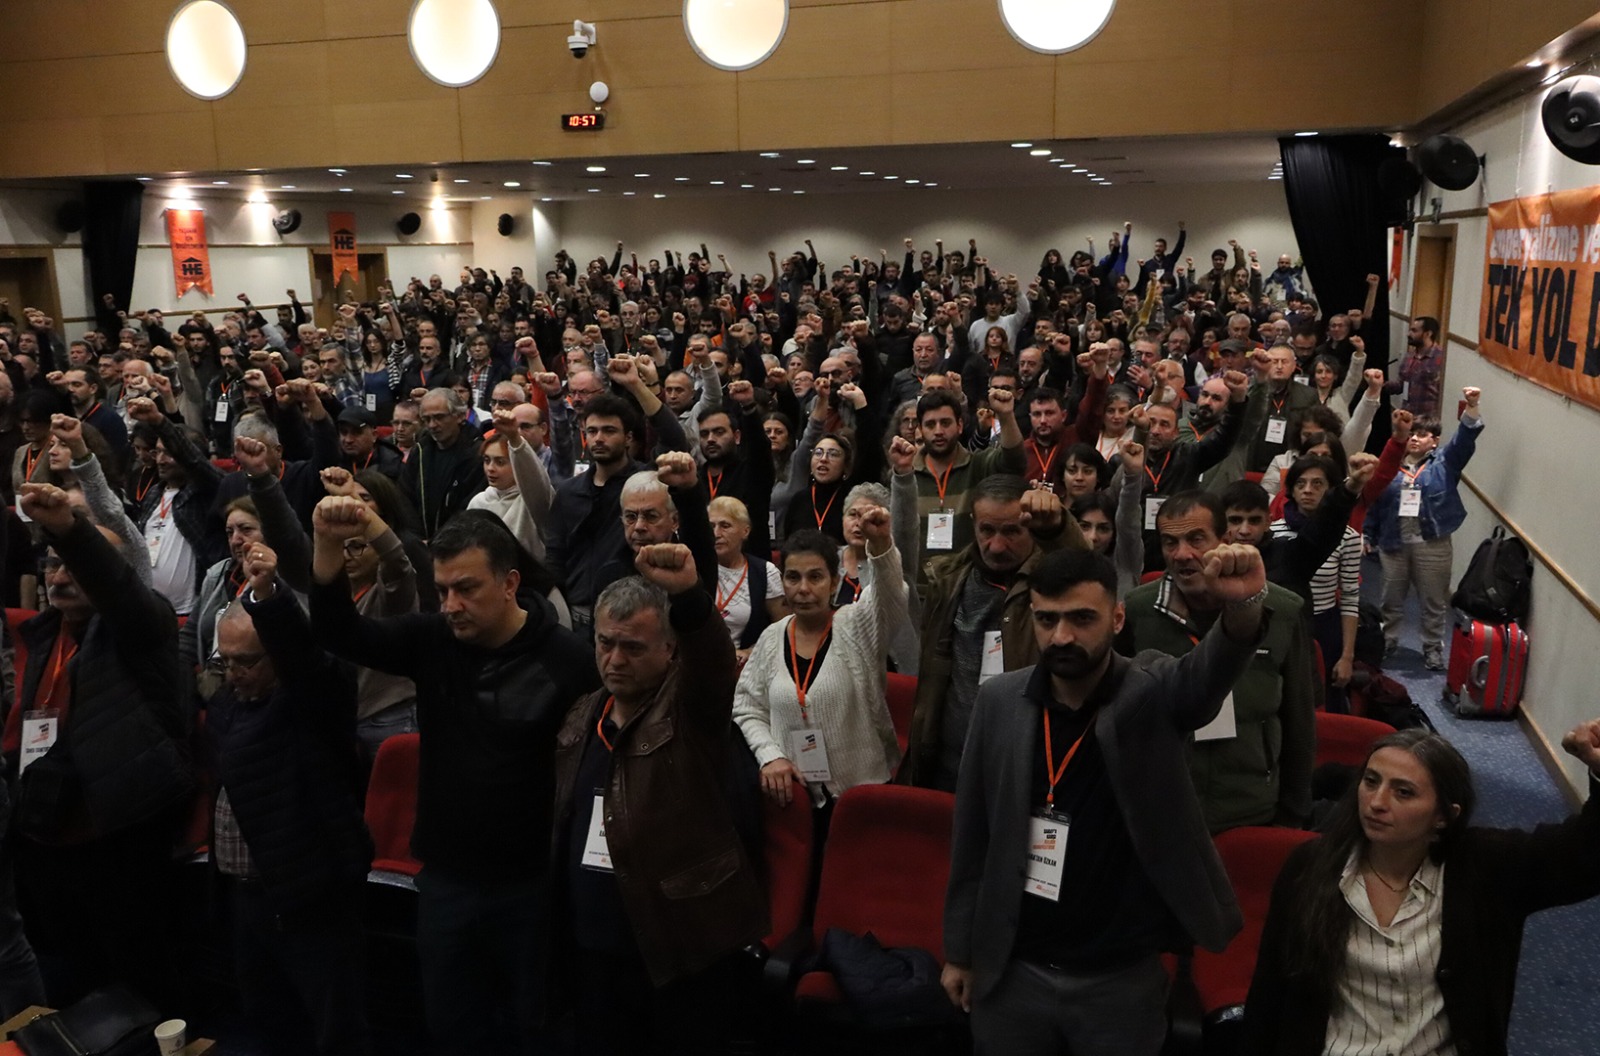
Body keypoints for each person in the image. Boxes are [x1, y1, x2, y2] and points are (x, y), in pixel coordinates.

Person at [942, 545, 1270, 1055]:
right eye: (1047, 619)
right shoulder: (999, 701)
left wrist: (1243, 608)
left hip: (1119, 979)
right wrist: (959, 951)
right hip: (1014, 969)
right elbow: (972, 837)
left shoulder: (1151, 691)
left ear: (1117, 619)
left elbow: (1206, 676)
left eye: (1082, 618)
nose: (1061, 636)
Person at [310, 503, 598, 1055]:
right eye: (442, 590)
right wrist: (325, 544)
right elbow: (336, 631)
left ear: (510, 583)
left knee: (535, 1029)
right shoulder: (433, 640)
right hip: (447, 879)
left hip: (531, 885)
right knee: (451, 1026)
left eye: (466, 589)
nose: (450, 606)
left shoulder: (568, 661)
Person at [1241, 722, 1600, 1056]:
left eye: (1403, 792)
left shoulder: (1486, 868)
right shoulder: (1311, 866)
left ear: (1444, 816)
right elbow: (1269, 994)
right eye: (1371, 781)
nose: (1377, 802)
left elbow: (1585, 857)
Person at [551, 542, 766, 1054]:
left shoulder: (691, 711)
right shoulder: (583, 713)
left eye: (633, 647)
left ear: (670, 649)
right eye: (605, 643)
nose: (614, 660)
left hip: (676, 948)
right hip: (592, 945)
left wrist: (689, 597)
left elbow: (713, 662)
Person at [8, 483, 191, 1008]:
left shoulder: (144, 625)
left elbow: (119, 590)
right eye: (52, 565)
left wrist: (71, 532)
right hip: (51, 832)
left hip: (119, 835)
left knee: (139, 980)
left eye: (74, 565)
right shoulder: (45, 633)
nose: (60, 576)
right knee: (70, 976)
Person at [210, 543, 372, 1055]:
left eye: (246, 661)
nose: (233, 673)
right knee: (267, 1017)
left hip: (308, 894)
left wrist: (269, 599)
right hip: (247, 895)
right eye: (224, 661)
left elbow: (308, 663)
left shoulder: (312, 701)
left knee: (334, 1026)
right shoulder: (229, 702)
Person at [1121, 491, 1317, 834]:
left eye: (1196, 539)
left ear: (1224, 540)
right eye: (1170, 542)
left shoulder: (1282, 611)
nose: (1182, 554)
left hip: (1251, 808)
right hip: (1162, 807)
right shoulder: (1138, 610)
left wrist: (1294, 814)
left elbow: (1299, 720)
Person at [892, 468, 1084, 790]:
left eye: (1011, 532)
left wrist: (1059, 528)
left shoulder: (1051, 585)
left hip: (1022, 766)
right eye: (987, 530)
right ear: (974, 525)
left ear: (1031, 527)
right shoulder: (947, 579)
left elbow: (1085, 575)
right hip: (947, 764)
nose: (996, 546)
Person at [734, 509, 907, 807]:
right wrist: (770, 756)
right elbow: (746, 708)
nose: (803, 589)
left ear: (834, 582)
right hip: (794, 799)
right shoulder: (771, 638)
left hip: (862, 796)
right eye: (793, 577)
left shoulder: (858, 625)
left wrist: (880, 546)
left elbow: (890, 595)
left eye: (815, 577)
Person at [1364, 387, 1483, 670]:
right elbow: (1375, 501)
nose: (1415, 438)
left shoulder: (1445, 464)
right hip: (1393, 543)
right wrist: (1368, 533)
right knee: (1390, 598)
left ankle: (1432, 648)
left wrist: (1472, 406)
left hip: (1432, 544)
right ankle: (1388, 641)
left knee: (1433, 600)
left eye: (1423, 435)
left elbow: (1464, 441)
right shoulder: (1390, 465)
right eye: (1412, 434)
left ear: (1435, 441)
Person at [1271, 455, 1364, 712]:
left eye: (1317, 484)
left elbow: (1350, 597)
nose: (1308, 490)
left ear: (1331, 490)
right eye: (1300, 484)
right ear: (1291, 490)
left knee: (1326, 704)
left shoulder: (1348, 537)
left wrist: (1347, 656)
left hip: (1324, 625)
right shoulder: (1273, 532)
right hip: (1286, 622)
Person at [469, 407, 556, 564]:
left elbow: (535, 478)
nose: (490, 468)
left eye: (500, 462)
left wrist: (515, 437)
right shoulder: (478, 501)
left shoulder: (533, 498)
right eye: (487, 460)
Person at [401, 387, 487, 539]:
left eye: (439, 417)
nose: (432, 425)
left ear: (460, 416)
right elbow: (405, 498)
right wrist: (417, 541)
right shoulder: (420, 451)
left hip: (458, 542)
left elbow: (469, 509)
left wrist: (441, 542)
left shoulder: (477, 454)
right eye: (426, 419)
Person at [707, 495, 785, 660]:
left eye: (725, 526)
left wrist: (752, 651)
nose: (716, 533)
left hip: (746, 665)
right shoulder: (694, 568)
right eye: (711, 526)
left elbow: (782, 628)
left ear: (745, 531)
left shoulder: (765, 572)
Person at [1387, 316, 1446, 422]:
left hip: (1427, 422)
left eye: (1414, 331)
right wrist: (1379, 385)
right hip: (1406, 418)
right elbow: (1400, 385)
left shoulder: (1441, 358)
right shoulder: (1409, 356)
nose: (1408, 334)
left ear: (1428, 334)